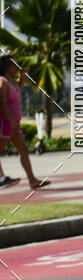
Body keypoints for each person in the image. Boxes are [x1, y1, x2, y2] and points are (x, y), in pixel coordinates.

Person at [0, 54, 46, 189]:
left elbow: (19, 85)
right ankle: (2, 179)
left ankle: (32, 180)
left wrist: (22, 74)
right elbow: (3, 104)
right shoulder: (2, 81)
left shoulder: (11, 81)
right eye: (13, 64)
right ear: (6, 67)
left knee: (24, 150)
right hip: (6, 122)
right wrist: (11, 121)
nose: (16, 66)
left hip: (14, 124)